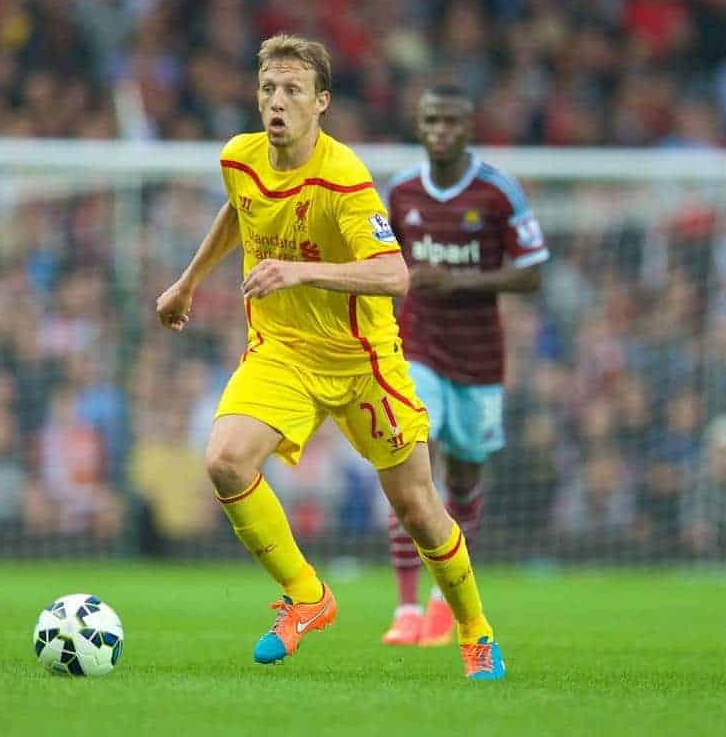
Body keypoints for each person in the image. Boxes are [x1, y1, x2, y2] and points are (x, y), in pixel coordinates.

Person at [156, 35, 505, 679]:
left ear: (322, 102)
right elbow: (240, 211)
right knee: (226, 463)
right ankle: (307, 596)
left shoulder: (344, 178)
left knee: (420, 512)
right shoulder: (240, 158)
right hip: (282, 352)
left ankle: (476, 630)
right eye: (267, 89)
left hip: (361, 362)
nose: (276, 102)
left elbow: (395, 275)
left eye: (292, 90)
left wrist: (297, 271)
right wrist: (188, 282)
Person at [381, 85, 548, 646]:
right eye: (431, 120)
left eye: (451, 121)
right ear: (419, 124)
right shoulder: (401, 192)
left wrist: (460, 282)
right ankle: (405, 607)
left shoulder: (498, 192)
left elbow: (531, 272)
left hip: (479, 358)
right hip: (417, 345)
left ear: (469, 125)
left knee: (465, 478)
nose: (440, 131)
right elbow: (381, 262)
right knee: (411, 460)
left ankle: (443, 598)